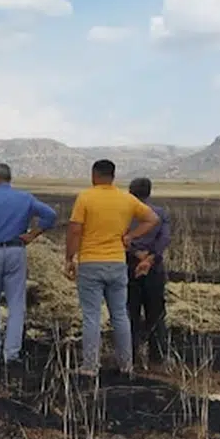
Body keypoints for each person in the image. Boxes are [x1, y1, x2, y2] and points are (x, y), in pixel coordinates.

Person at [65, 159, 160, 376]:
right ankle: (126, 365)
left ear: (94, 175)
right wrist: (130, 236)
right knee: (120, 314)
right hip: (117, 263)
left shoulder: (86, 197)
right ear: (113, 176)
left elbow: (75, 231)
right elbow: (152, 219)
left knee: (91, 316)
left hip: (91, 263)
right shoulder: (126, 198)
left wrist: (70, 258)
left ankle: (90, 366)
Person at [0, 162, 58, 363]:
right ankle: (11, 353)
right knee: (16, 302)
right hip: (17, 250)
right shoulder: (25, 198)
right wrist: (34, 233)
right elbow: (50, 215)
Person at [125, 176, 171, 367]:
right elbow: (164, 239)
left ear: (130, 192)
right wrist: (150, 258)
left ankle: (131, 355)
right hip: (154, 269)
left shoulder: (124, 214)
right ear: (149, 192)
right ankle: (158, 357)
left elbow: (120, 239)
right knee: (157, 313)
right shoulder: (161, 214)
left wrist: (137, 254)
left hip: (128, 267)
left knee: (129, 312)